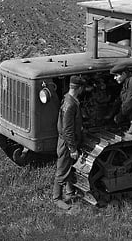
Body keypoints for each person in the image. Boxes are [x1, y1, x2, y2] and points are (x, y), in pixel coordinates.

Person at [53, 75, 86, 206]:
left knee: (68, 166)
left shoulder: (68, 98)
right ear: (79, 88)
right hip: (67, 142)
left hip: (67, 140)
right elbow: (67, 129)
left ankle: (70, 191)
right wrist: (72, 148)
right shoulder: (70, 104)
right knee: (62, 168)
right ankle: (57, 199)